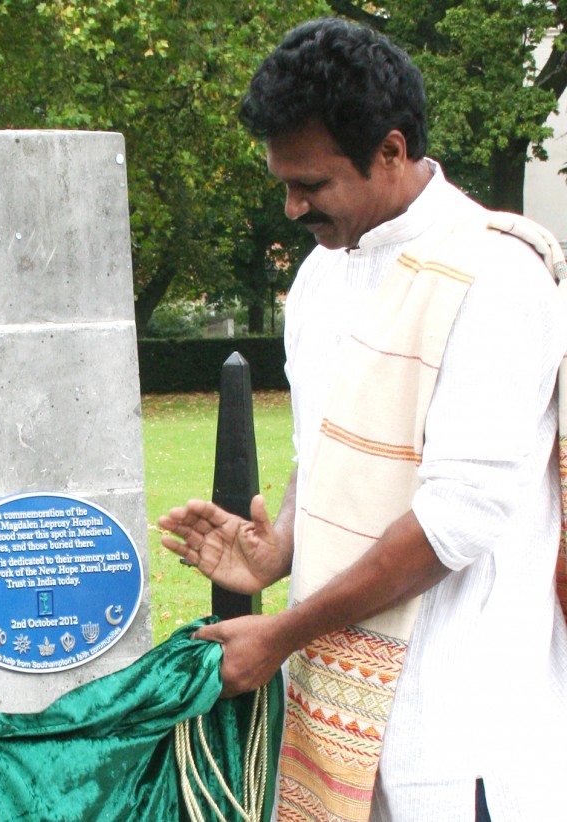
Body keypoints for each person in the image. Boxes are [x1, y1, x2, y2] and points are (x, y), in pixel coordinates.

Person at [159, 17, 567, 822]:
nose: (290, 205)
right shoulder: (320, 278)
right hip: (336, 729)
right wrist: (278, 551)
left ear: (390, 150)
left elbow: (457, 523)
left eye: (311, 184)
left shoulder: (496, 279)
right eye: (283, 181)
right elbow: (334, 446)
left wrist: (281, 633)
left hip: (459, 739)